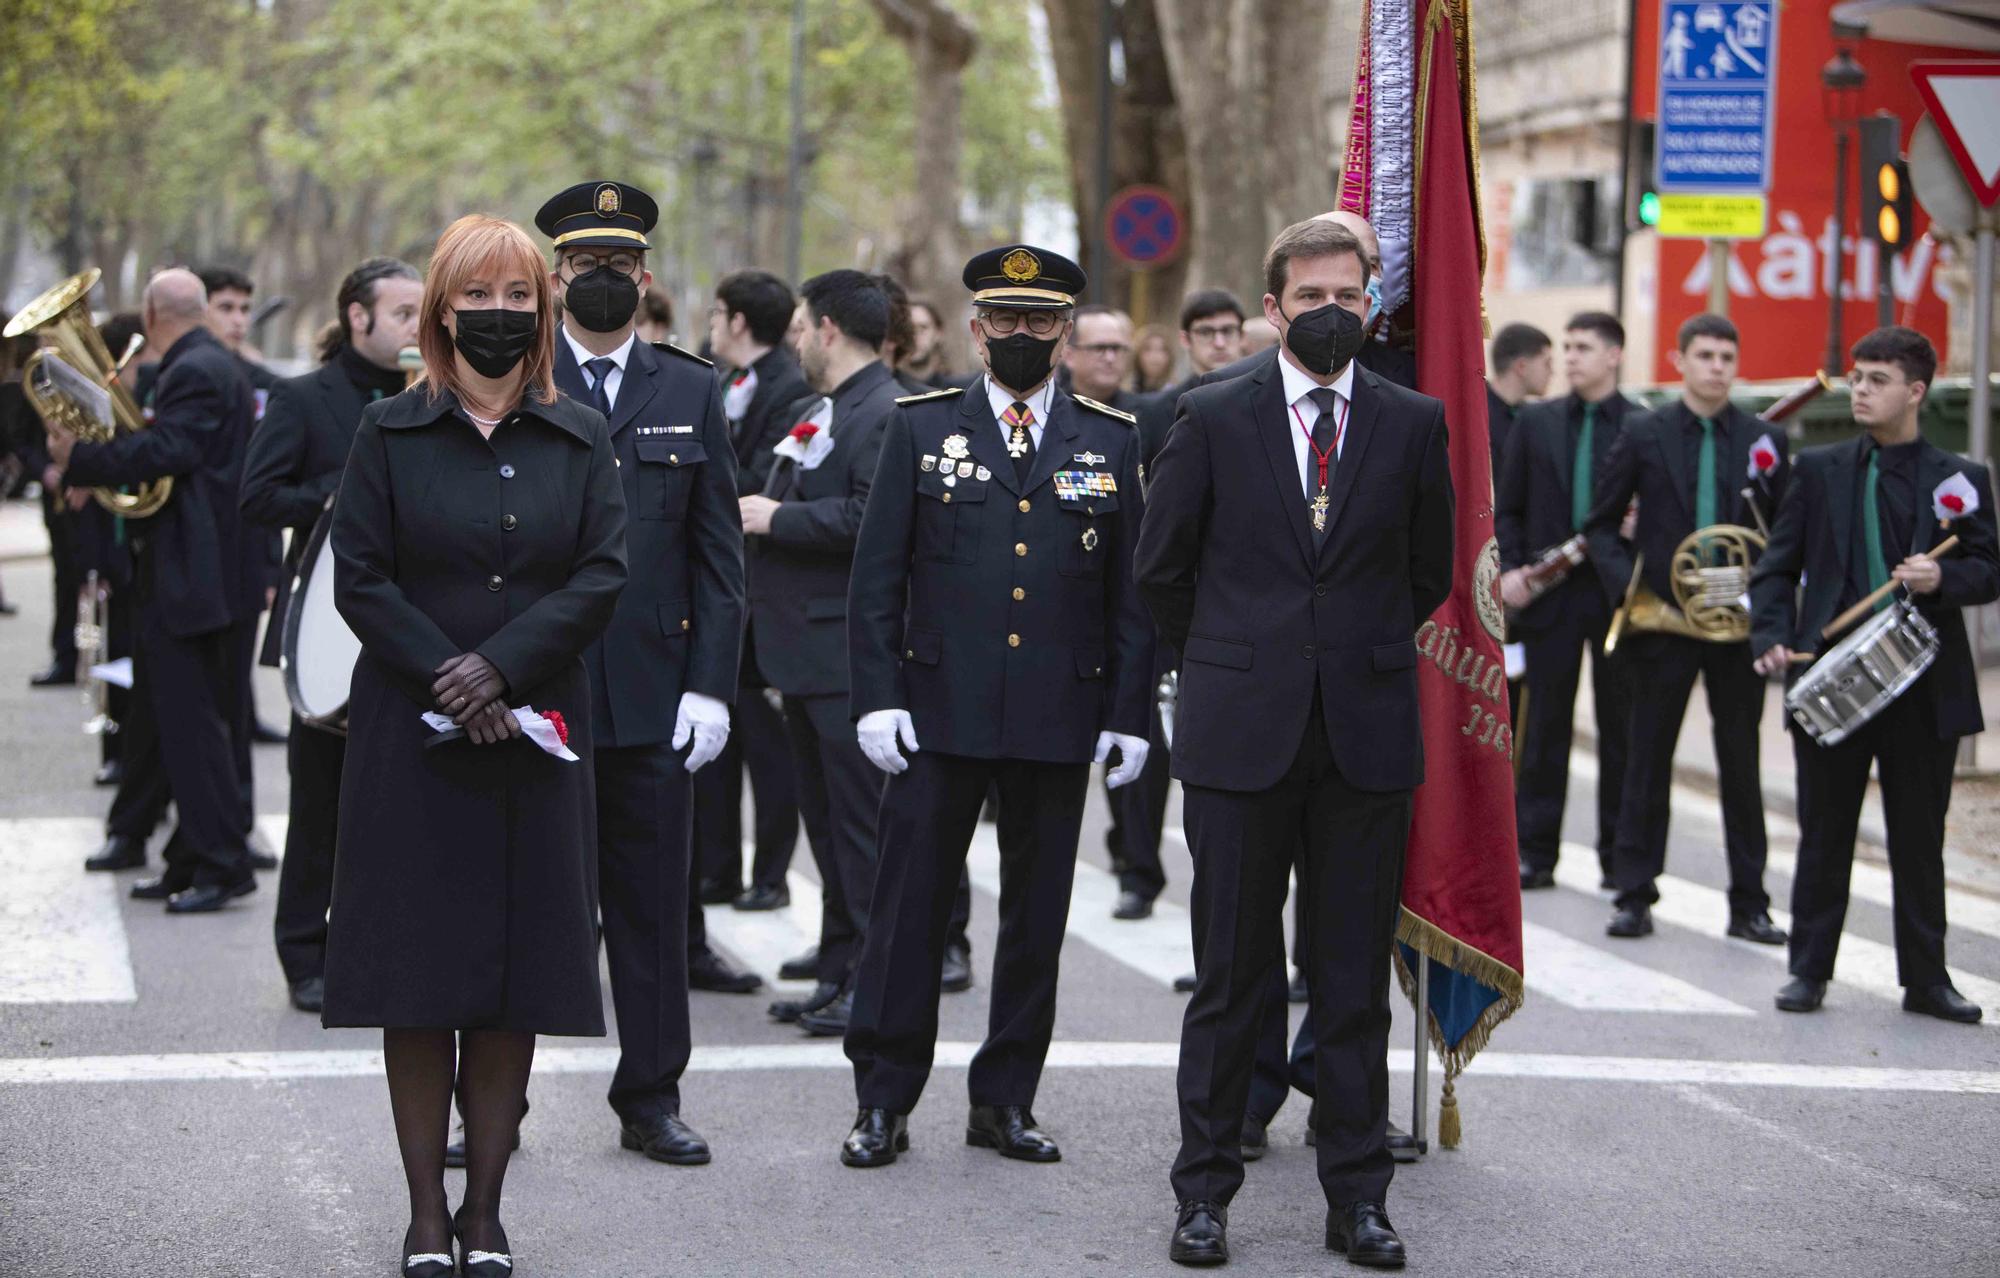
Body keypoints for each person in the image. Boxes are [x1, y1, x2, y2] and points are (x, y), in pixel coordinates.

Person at [1137, 217, 1453, 1268]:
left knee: (1352, 977)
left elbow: (1426, 573)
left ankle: (1356, 1198)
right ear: (1271, 309)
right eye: (1309, 297)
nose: (1330, 313)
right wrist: (1233, 662)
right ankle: (1203, 1194)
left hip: (1362, 738)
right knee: (1230, 975)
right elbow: (1160, 571)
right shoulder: (1210, 416)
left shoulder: (1412, 424)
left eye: (1347, 297)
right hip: (1239, 736)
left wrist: (1343, 656)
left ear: (1372, 306)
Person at [322, 214, 627, 1276]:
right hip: (412, 743)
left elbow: (601, 573)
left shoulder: (580, 435)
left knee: (512, 985)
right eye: (476, 297)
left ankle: (487, 1212)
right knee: (420, 983)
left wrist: (499, 670)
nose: (497, 316)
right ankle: (423, 1216)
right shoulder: (387, 433)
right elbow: (359, 575)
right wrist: (447, 672)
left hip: (534, 739)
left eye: (517, 298)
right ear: (441, 310)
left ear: (541, 311)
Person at [839, 244, 1154, 1168]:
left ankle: (1005, 1099)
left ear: (1064, 332)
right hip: (938, 711)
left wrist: (1129, 714)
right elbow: (876, 580)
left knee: (1035, 919)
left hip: (1060, 713)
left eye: (1041, 321)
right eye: (1005, 321)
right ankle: (882, 1099)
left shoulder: (1111, 437)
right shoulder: (920, 426)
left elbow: (1128, 597)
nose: (1022, 335)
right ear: (977, 329)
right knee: (908, 914)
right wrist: (876, 699)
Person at [536, 180, 746, 1161]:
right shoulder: (520, 377)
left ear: (644, 277)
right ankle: (493, 1101)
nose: (603, 282)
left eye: (619, 269)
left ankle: (650, 1096)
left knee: (653, 913)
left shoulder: (689, 386)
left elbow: (717, 556)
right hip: (541, 695)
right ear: (555, 277)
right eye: (586, 269)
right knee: (524, 907)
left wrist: (710, 683)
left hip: (657, 700)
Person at [1753, 327, 1998, 1024]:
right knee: (1824, 832)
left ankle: (1927, 981)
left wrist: (1942, 574)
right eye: (1857, 377)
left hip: (1922, 686)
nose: (1859, 389)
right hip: (1830, 676)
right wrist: (1770, 637)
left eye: (1877, 379)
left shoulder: (1960, 478)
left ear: (1915, 392)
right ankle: (1808, 971)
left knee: (1918, 839)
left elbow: (1988, 570)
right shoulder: (1819, 469)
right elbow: (1776, 567)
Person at [239, 256, 423, 1012]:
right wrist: (343, 493)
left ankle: (379, 947)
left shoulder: (436, 394)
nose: (421, 326)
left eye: (426, 312)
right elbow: (258, 497)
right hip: (328, 630)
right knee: (319, 806)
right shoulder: (303, 398)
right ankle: (304, 957)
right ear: (359, 317)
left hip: (412, 625)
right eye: (406, 313)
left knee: (403, 806)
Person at [52, 268, 264, 913]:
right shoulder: (204, 362)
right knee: (170, 720)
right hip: (186, 569)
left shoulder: (196, 369)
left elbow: (169, 451)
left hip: (195, 574)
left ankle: (224, 865)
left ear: (151, 311)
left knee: (192, 727)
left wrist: (79, 460)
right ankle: (185, 858)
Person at [1585, 313, 1787, 944]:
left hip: (1735, 629)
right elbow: (1599, 524)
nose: (1717, 367)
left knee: (1741, 764)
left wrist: (1766, 603)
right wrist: (1632, 589)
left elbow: (1783, 535)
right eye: (1705, 356)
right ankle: (1634, 894)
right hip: (1664, 622)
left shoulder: (1766, 439)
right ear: (1680, 361)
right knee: (1647, 760)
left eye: (1727, 357)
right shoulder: (1644, 433)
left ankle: (1750, 904)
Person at [743, 270, 902, 1037]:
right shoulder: (826, 406)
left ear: (830, 329)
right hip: (801, 656)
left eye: (802, 326)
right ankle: (840, 965)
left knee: (860, 833)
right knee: (829, 827)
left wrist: (779, 520)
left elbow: (876, 516)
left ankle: (870, 982)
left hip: (845, 654)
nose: (795, 340)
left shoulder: (888, 410)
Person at [1497, 311, 1639, 892]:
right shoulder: (1535, 423)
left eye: (1584, 347)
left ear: (1614, 356)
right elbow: (1507, 509)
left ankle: (1616, 855)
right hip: (1548, 595)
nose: (1571, 357)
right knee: (1543, 729)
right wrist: (1508, 571)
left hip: (1615, 596)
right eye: (1568, 346)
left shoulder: (1643, 425)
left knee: (1621, 731)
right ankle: (1535, 852)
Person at [696, 269, 806, 941]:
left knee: (771, 753)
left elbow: (764, 478)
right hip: (725, 593)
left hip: (769, 596)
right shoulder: (729, 381)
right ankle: (718, 867)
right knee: (722, 740)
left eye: (716, 313)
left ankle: (771, 873)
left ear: (738, 321)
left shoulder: (790, 388)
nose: (712, 324)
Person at [1488, 321, 1551, 737]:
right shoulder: (1474, 412)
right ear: (1523, 366)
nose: (1555, 373)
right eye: (1548, 363)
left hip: (1520, 578)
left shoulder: (1534, 421)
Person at [1487, 321, 1552, 470]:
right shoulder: (1477, 415)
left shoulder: (1533, 416)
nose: (1552, 372)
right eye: (1547, 363)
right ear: (1521, 367)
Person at [898, 297, 954, 386]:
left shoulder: (958, 390)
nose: (915, 336)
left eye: (923, 328)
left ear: (938, 333)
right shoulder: (890, 391)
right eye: (909, 328)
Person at [1134, 324, 1177, 392]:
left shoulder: (1176, 393)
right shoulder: (1126, 390)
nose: (1155, 355)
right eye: (1148, 349)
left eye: (1162, 349)